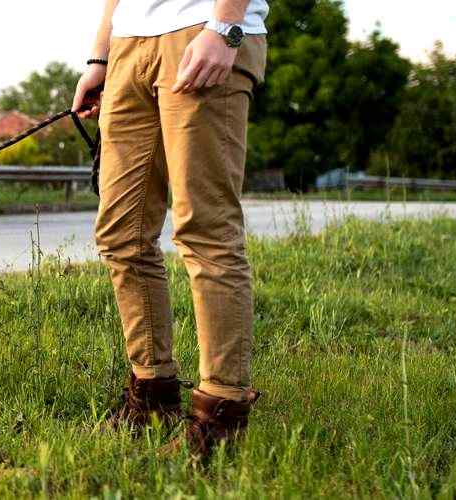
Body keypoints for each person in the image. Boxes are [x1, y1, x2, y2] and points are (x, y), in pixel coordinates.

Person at [72, 0, 269, 458]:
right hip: (127, 46)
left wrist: (225, 29)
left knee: (205, 231)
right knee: (122, 234)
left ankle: (221, 413)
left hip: (204, 28)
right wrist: (100, 58)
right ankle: (152, 395)